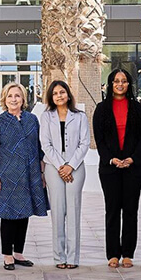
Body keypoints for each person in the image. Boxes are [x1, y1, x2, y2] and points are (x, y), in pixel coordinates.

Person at [0, 82, 48, 271]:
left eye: (17, 96)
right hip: (6, 175)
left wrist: (42, 173)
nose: (14, 99)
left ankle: (18, 253)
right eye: (10, 96)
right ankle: (7, 255)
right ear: (4, 99)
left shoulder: (32, 120)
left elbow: (39, 148)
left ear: (23, 99)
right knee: (8, 215)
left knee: (24, 214)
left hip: (29, 174)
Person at [93, 69, 141, 268]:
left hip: (133, 168)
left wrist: (133, 159)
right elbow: (99, 139)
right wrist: (112, 159)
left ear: (128, 85)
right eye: (116, 81)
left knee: (131, 211)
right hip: (110, 169)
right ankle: (113, 254)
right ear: (110, 84)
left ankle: (127, 254)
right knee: (113, 210)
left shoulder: (137, 108)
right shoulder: (101, 108)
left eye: (124, 81)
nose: (120, 84)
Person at [40, 80, 90, 269]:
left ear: (68, 94)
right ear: (51, 97)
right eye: (55, 93)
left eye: (62, 92)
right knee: (58, 212)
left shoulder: (80, 117)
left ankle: (73, 258)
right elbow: (46, 145)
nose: (59, 96)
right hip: (54, 168)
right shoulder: (46, 117)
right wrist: (62, 166)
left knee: (74, 212)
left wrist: (70, 166)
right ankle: (59, 257)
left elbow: (84, 143)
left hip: (76, 168)